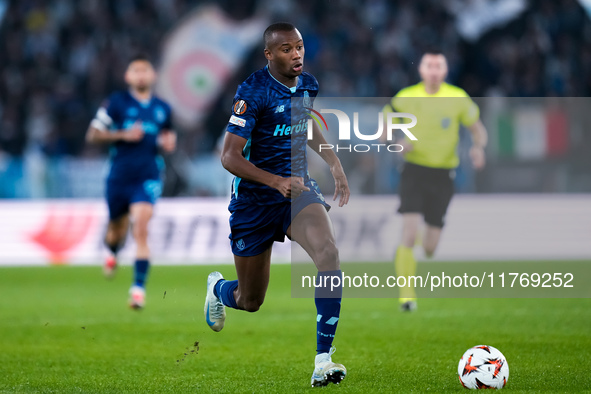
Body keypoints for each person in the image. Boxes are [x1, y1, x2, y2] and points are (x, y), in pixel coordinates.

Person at [203, 22, 350, 387]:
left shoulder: (308, 84)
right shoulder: (252, 92)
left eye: (299, 46)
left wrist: (334, 164)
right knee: (250, 300)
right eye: (286, 49)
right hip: (254, 201)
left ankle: (323, 360)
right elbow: (229, 157)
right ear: (269, 55)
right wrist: (273, 181)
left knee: (328, 254)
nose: (296, 54)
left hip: (297, 191)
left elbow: (305, 126)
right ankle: (219, 289)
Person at [383, 49, 488, 312]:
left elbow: (478, 130)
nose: (433, 70)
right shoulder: (406, 97)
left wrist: (478, 148)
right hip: (414, 171)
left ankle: (414, 244)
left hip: (443, 176)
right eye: (428, 65)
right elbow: (384, 123)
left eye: (438, 66)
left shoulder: (457, 98)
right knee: (409, 233)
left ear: (445, 70)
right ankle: (406, 297)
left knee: (429, 247)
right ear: (421, 70)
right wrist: (395, 140)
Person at [86, 54, 176, 309]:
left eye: (144, 70)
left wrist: (168, 143)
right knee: (117, 229)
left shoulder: (162, 108)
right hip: (118, 176)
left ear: (153, 75)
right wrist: (123, 134)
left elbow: (168, 135)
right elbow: (92, 135)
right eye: (135, 70)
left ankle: (138, 289)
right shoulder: (116, 103)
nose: (140, 75)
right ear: (128, 76)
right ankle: (113, 251)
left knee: (141, 229)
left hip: (147, 175)